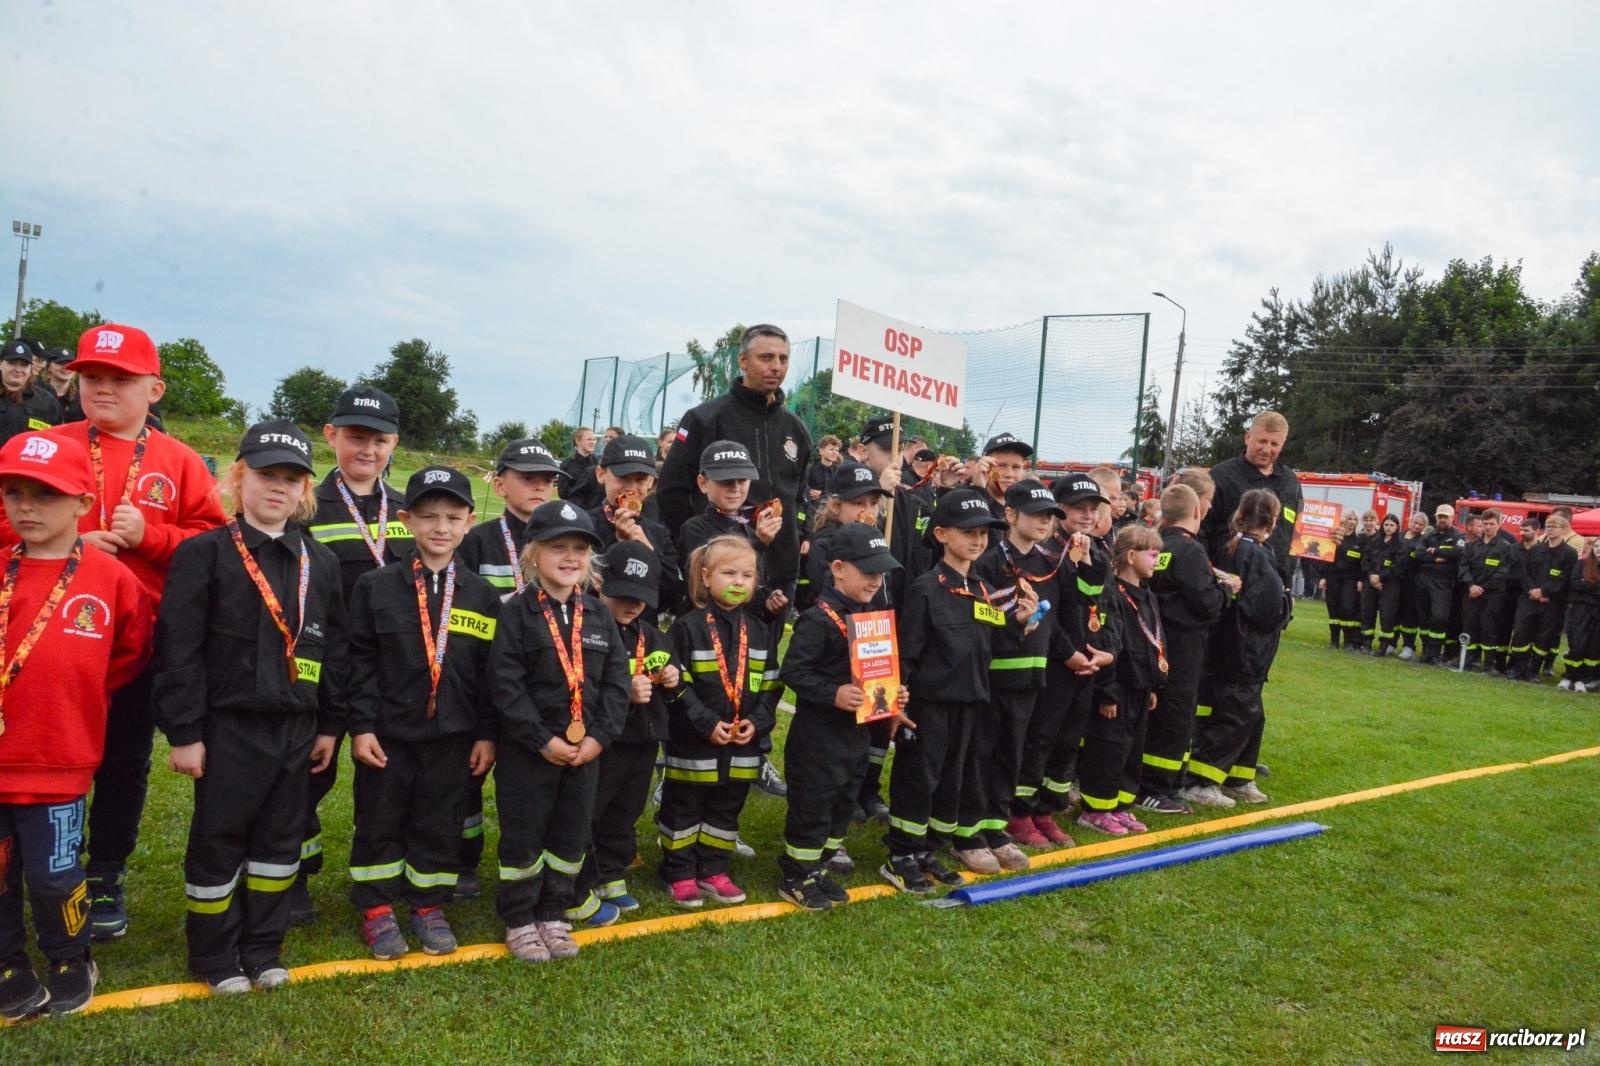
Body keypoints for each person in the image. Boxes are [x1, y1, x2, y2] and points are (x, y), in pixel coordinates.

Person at [0, 325, 229, 943]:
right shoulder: (46, 443)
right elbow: (6, 524)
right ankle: (26, 868)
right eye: (92, 376)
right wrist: (67, 543)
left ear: (153, 388)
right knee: (37, 758)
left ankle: (104, 871)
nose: (102, 388)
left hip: (138, 644)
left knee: (123, 762)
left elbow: (212, 547)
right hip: (44, 646)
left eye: (119, 379)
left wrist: (146, 538)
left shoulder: (178, 460)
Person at [152, 421, 345, 995]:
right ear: (238, 477)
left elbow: (332, 649)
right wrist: (185, 732)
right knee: (219, 839)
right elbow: (177, 650)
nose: (277, 488)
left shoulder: (322, 563)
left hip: (296, 727)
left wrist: (330, 724)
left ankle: (263, 948)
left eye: (291, 479)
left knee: (279, 843)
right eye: (265, 475)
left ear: (305, 489)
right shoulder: (203, 554)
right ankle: (214, 957)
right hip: (228, 728)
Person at [0, 433, 151, 1020]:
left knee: (56, 873)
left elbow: (131, 651)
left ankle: (69, 954)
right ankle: (9, 959)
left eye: (46, 494)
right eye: (15, 493)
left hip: (60, 757)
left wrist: (74, 693)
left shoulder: (111, 579)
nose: (27, 507)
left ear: (84, 502)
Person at [345, 467, 500, 960]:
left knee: (440, 821)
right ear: (407, 520)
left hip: (453, 737)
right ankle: (376, 907)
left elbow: (488, 673)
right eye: (428, 516)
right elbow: (361, 661)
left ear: (469, 522)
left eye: (453, 517)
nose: (440, 527)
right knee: (379, 819)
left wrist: (485, 733)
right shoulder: (376, 586)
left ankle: (428, 903)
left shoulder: (481, 594)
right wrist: (362, 726)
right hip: (388, 735)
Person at [490, 501, 629, 963]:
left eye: (579, 549)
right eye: (557, 548)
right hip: (529, 753)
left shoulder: (600, 614)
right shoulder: (515, 613)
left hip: (584, 753)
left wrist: (598, 738)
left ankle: (553, 910)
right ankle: (519, 918)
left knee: (569, 835)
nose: (569, 558)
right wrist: (542, 740)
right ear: (532, 553)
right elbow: (506, 688)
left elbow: (615, 683)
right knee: (525, 837)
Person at [880, 489, 1032, 894]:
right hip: (929, 707)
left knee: (953, 780)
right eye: (968, 532)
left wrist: (1017, 622)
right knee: (918, 779)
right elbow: (907, 654)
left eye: (984, 532)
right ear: (942, 533)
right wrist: (896, 704)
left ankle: (929, 847)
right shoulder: (925, 589)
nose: (978, 540)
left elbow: (991, 645)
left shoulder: (981, 588)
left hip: (972, 704)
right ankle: (901, 855)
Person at [299, 385, 411, 923]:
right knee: (305, 775)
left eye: (379, 440)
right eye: (355, 438)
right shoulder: (304, 506)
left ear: (394, 444)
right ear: (331, 437)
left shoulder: (412, 511)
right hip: (319, 662)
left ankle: (386, 878)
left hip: (390, 672)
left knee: (386, 778)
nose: (367, 450)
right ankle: (293, 875)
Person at [452, 438, 563, 896]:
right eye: (527, 478)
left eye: (547, 480)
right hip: (482, 681)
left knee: (533, 780)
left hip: (543, 688)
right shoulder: (476, 541)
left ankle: (534, 861)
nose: (540, 486)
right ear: (499, 484)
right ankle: (462, 863)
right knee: (467, 775)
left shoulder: (563, 539)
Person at [777, 524, 908, 910]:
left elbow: (878, 672)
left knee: (842, 803)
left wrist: (894, 693)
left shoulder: (872, 617)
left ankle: (817, 868)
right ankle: (795, 875)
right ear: (837, 568)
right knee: (813, 806)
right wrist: (832, 693)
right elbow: (793, 672)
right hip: (818, 738)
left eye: (880, 574)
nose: (875, 581)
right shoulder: (818, 619)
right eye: (867, 572)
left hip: (858, 735)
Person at [658, 535, 783, 908]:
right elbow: (677, 683)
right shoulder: (686, 627)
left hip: (742, 742)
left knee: (727, 806)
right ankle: (679, 871)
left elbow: (772, 686)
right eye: (729, 573)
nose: (739, 582)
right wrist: (703, 720)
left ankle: (713, 868)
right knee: (684, 805)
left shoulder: (760, 631)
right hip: (694, 741)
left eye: (747, 575)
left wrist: (758, 722)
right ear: (706, 576)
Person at [656, 324, 812, 612]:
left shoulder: (796, 429)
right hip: (721, 573)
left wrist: (797, 537)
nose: (776, 367)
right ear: (743, 360)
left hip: (779, 571)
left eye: (783, 358)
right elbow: (670, 492)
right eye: (766, 358)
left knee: (763, 656)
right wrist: (703, 549)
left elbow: (799, 495)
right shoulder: (705, 419)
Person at [570, 542, 680, 920]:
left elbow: (671, 666)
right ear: (599, 582)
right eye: (623, 596)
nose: (632, 605)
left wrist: (671, 676)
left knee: (626, 809)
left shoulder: (650, 632)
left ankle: (611, 872)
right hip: (605, 739)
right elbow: (577, 684)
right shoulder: (586, 627)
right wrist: (623, 690)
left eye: (642, 598)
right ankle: (580, 877)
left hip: (644, 738)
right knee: (591, 810)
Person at [1010, 475, 1111, 845]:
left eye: (1093, 509)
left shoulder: (1091, 549)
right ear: (1058, 511)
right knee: (1041, 737)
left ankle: (1046, 809)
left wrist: (1103, 651)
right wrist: (1068, 654)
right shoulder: (1046, 550)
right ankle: (1019, 812)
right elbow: (1049, 615)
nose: (1087, 515)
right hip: (1054, 661)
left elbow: (1093, 605)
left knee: (1068, 740)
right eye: (1078, 508)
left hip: (1086, 663)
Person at [973, 479, 1066, 867]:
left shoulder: (1048, 562)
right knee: (984, 754)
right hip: (995, 675)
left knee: (1012, 754)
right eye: (1035, 514)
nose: (1044, 522)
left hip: (1033, 675)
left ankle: (997, 828)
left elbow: (1055, 617)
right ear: (1010, 515)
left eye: (1049, 515)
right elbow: (979, 614)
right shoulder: (990, 560)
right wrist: (1014, 619)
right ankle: (973, 829)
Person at [1185, 489, 1289, 808]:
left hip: (1227, 645)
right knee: (1235, 715)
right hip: (1245, 650)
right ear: (1271, 522)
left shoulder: (1230, 547)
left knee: (1250, 716)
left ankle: (1239, 776)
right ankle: (1203, 781)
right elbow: (1269, 608)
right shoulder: (1255, 553)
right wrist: (1288, 602)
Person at [1141, 482, 1234, 813]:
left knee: (1161, 712)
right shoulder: (1191, 550)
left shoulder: (1158, 544)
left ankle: (1157, 781)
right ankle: (1157, 788)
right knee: (1177, 715)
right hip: (1184, 645)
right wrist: (1226, 590)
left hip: (1157, 640)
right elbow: (1205, 602)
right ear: (1197, 511)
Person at [1077, 523, 1166, 836]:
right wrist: (1107, 692)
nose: (1158, 561)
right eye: (1153, 554)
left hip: (1141, 688)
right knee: (1108, 749)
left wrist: (1153, 684)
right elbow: (1105, 644)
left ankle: (1120, 805)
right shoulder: (1111, 594)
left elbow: (1152, 641)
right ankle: (1096, 809)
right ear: (1130, 555)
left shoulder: (1148, 596)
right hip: (1118, 688)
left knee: (1132, 749)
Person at [675, 440, 784, 611]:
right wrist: (758, 543)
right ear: (703, 483)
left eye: (742, 480)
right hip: (704, 626)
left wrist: (769, 603)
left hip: (743, 627)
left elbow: (754, 587)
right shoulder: (695, 529)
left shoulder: (748, 529)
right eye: (725, 481)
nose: (735, 488)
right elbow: (708, 588)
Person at [1201, 411, 1303, 589]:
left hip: (1276, 585)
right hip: (1230, 582)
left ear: (1283, 445)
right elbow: (1201, 529)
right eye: (1262, 441)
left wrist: (1329, 537)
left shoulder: (1290, 481)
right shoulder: (1221, 476)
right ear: (1247, 437)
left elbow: (1299, 531)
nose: (1267, 449)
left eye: (1274, 444)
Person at [587, 433, 684, 613]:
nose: (631, 488)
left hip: (643, 631)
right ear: (601, 474)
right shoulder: (583, 526)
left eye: (640, 479)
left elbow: (672, 594)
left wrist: (647, 550)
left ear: (651, 482)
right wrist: (618, 545)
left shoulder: (658, 533)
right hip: (592, 626)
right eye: (623, 478)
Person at [1507, 513, 1577, 682]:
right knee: (1522, 633)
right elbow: (1525, 573)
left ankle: (1533, 672)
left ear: (1564, 530)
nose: (1550, 529)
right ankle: (1518, 669)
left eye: (1554, 526)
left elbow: (1564, 578)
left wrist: (1545, 592)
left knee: (1543, 637)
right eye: (1548, 526)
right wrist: (1533, 590)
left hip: (1552, 603)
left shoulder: (1569, 553)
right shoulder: (1535, 549)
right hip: (1529, 599)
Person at [1459, 508, 1515, 672]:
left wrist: (1482, 587)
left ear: (1499, 525)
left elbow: (1503, 572)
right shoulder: (1471, 546)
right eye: (1485, 523)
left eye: (1492, 524)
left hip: (1492, 595)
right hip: (1471, 593)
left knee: (1489, 627)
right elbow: (1463, 567)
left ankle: (1489, 664)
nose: (1488, 527)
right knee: (1470, 625)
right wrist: (1471, 585)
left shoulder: (1505, 547)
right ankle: (1468, 660)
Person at [1414, 504, 1467, 666]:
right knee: (1424, 617)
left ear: (1452, 518)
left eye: (1445, 517)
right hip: (1424, 580)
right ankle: (1426, 651)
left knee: (1439, 617)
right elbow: (1419, 554)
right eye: (1439, 516)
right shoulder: (1428, 535)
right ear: (1435, 518)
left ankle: (1436, 653)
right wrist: (1437, 558)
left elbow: (1457, 553)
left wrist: (1435, 551)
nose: (1442, 519)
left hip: (1443, 582)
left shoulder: (1459, 536)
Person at [1360, 513, 1407, 656]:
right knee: (1367, 612)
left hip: (1389, 584)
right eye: (1386, 524)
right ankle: (1366, 642)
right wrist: (1371, 576)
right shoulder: (1374, 540)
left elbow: (1398, 567)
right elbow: (1365, 560)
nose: (1388, 528)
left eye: (1392, 525)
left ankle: (1384, 645)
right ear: (1382, 525)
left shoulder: (1401, 544)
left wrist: (1380, 578)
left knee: (1387, 615)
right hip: (1371, 581)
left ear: (1397, 526)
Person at [0, 340, 62, 444]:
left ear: (30, 368)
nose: (18, 369)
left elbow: (57, 441)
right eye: (12, 363)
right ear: (1, 364)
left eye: (24, 365)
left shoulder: (47, 402)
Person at [1559, 538, 1600, 692]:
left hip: (1597, 611)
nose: (1598, 549)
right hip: (1579, 609)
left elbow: (1583, 586)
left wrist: (1588, 585)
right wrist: (1595, 588)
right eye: (1596, 546)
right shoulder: (1581, 563)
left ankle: (1584, 679)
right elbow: (1576, 583)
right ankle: (1569, 676)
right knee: (1576, 643)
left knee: (1593, 647)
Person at [1322, 512, 1363, 650]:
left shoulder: (1360, 540)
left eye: (1354, 519)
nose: (1352, 522)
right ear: (1343, 520)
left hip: (1350, 579)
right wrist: (1323, 576)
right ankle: (1334, 641)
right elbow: (1325, 557)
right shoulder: (1334, 538)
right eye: (1349, 519)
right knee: (1333, 609)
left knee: (1347, 608)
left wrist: (1360, 580)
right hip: (1333, 577)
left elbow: (1364, 562)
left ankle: (1348, 642)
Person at [1394, 511, 1430, 660]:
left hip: (1412, 582)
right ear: (1410, 522)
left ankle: (1409, 646)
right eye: (1415, 522)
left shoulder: (1423, 541)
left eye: (1420, 524)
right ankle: (1391, 642)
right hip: (1395, 580)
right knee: (1393, 612)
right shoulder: (1399, 536)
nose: (1417, 526)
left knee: (1409, 614)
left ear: (1424, 527)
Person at [558, 427, 603, 511]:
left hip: (593, 511)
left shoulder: (598, 464)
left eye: (594, 439)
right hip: (573, 510)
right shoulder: (566, 465)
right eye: (589, 439)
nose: (593, 442)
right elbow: (562, 492)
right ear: (578, 441)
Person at [43, 346, 81, 423]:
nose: (65, 367)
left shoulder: (81, 399)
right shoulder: (36, 394)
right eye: (60, 363)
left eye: (70, 364)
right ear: (49, 367)